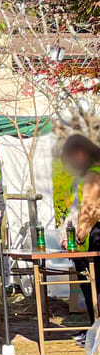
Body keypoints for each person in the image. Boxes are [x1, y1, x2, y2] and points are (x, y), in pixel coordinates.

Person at [63, 130, 100, 326]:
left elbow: (89, 209)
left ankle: (97, 331)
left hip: (92, 237)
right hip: (89, 235)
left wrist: (78, 236)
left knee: (93, 288)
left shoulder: (93, 174)